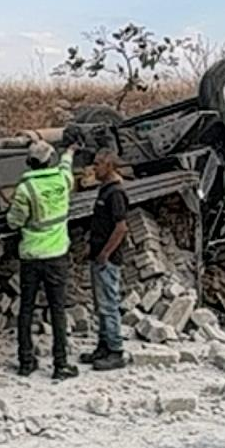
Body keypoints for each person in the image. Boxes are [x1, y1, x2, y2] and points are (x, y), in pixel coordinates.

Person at [7, 140, 79, 380]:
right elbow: (67, 168)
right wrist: (69, 152)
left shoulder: (26, 189)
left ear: (30, 162)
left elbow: (14, 222)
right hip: (57, 256)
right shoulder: (62, 179)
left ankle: (26, 362)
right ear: (50, 159)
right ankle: (60, 365)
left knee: (26, 309)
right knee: (57, 310)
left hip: (31, 257)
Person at [79, 149, 129, 371]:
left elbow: (121, 228)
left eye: (98, 164)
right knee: (101, 305)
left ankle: (116, 351)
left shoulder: (115, 193)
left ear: (109, 166)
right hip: (98, 255)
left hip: (107, 260)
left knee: (109, 304)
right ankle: (103, 346)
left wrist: (105, 253)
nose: (94, 168)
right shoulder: (105, 190)